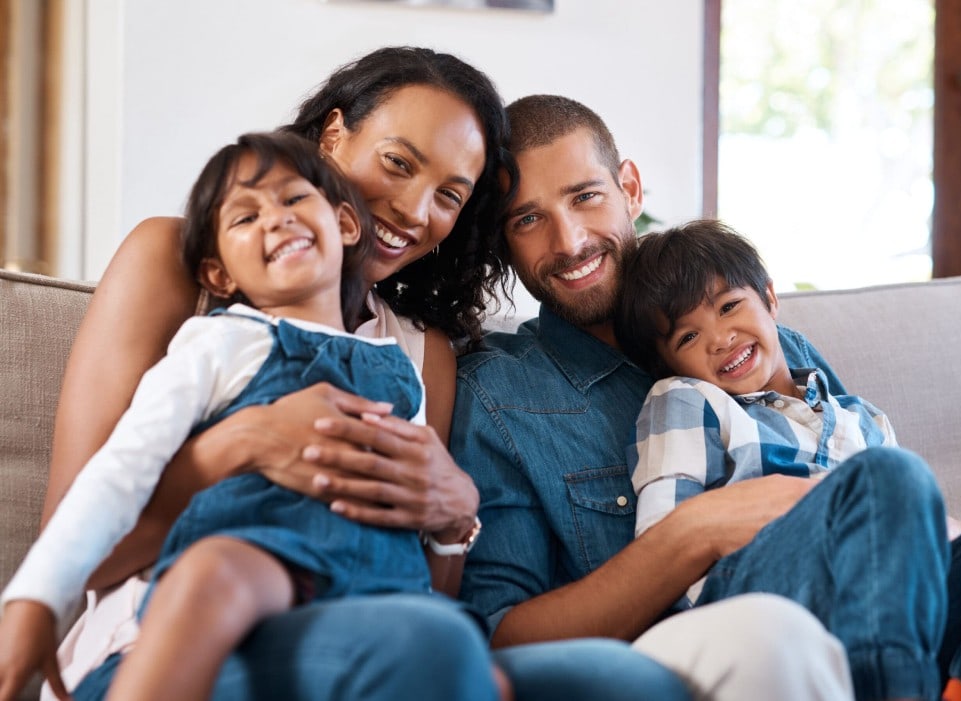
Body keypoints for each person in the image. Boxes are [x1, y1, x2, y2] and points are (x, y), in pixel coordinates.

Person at [22, 49, 692, 701]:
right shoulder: (182, 271)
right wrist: (243, 443)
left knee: (627, 681)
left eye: (449, 196)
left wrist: (453, 521)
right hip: (154, 642)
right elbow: (77, 543)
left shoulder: (422, 352)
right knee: (426, 644)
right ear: (334, 134)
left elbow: (423, 587)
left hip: (364, 621)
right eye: (398, 163)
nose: (414, 211)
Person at [0, 130, 505, 701]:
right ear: (221, 275)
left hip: (374, 586)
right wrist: (36, 597)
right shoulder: (221, 343)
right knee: (215, 571)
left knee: (476, 666)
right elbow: (118, 473)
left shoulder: (401, 369)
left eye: (294, 199)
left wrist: (450, 521)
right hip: (259, 561)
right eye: (246, 217)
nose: (277, 219)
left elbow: (416, 508)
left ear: (345, 224)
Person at [451, 94, 858, 700]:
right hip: (680, 653)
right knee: (772, 634)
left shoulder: (765, 343)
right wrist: (693, 532)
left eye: (585, 197)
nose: (569, 242)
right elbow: (499, 637)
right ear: (503, 244)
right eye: (528, 220)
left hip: (852, 606)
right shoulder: (497, 395)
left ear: (630, 189)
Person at [615, 219, 961, 701]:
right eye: (687, 338)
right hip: (763, 585)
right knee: (888, 476)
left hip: (892, 596)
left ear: (770, 298)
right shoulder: (687, 399)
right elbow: (665, 544)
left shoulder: (864, 419)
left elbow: (913, 525)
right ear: (669, 364)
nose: (719, 339)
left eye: (729, 307)